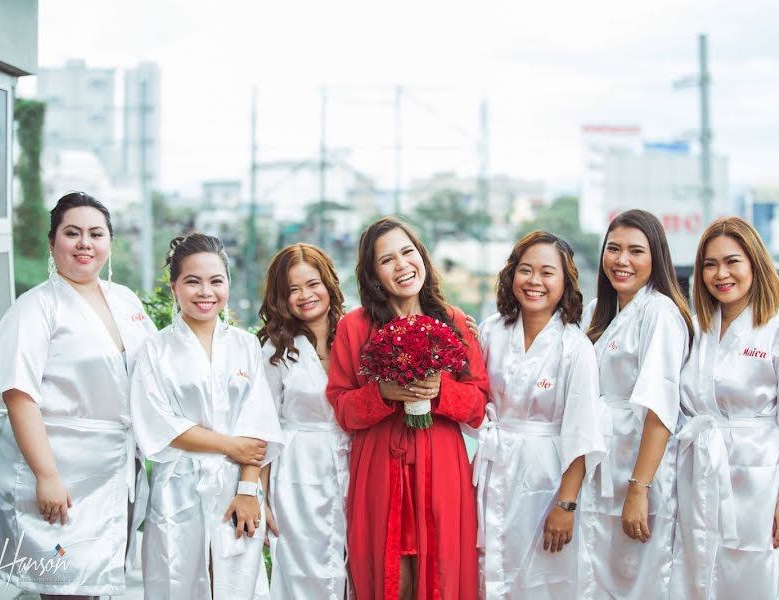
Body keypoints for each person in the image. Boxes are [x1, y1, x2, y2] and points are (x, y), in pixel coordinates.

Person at [0, 192, 156, 599]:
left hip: (118, 471)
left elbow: (157, 376)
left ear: (109, 243)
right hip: (61, 471)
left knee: (96, 584)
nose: (85, 243)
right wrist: (47, 476)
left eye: (96, 233)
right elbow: (18, 396)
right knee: (65, 587)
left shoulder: (126, 301)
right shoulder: (35, 309)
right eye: (72, 233)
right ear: (52, 243)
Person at [672, 217, 779, 599]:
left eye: (732, 261)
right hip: (697, 474)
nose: (721, 273)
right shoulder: (695, 329)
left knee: (756, 570)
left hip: (759, 482)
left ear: (754, 264)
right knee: (696, 567)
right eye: (710, 264)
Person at [326, 217, 489, 600]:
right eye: (386, 260)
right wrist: (382, 393)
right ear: (372, 274)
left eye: (407, 252)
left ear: (422, 257)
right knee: (387, 574)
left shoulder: (456, 322)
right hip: (381, 465)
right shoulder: (355, 327)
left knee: (443, 571)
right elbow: (342, 407)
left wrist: (439, 392)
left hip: (442, 465)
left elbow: (479, 403)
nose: (401, 266)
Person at [130, 233, 282, 600]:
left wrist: (249, 489)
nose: (205, 292)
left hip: (236, 486)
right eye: (192, 281)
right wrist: (231, 445)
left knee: (234, 584)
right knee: (178, 581)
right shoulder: (156, 349)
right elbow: (159, 424)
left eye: (216, 281)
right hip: (177, 487)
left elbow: (258, 423)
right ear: (174, 287)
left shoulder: (246, 345)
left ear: (228, 283)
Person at [474, 231, 605, 599]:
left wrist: (566, 504)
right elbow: (472, 399)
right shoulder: (491, 331)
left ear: (565, 283)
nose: (534, 281)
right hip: (494, 468)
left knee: (543, 578)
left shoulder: (575, 347)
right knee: (491, 571)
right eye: (525, 270)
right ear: (511, 275)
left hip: (546, 483)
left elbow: (582, 433)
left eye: (547, 273)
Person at [578, 209, 693, 599]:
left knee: (636, 580)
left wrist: (639, 489)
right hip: (598, 467)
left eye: (635, 251)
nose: (621, 260)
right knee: (597, 578)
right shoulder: (597, 311)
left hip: (637, 472)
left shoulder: (660, 312)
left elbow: (661, 408)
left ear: (656, 257)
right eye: (613, 249)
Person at [256, 243, 350, 599]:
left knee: (353, 571)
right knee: (301, 573)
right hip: (297, 473)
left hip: (354, 464)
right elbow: (263, 426)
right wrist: (260, 496)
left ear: (328, 283)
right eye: (292, 289)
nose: (305, 295)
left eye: (312, 284)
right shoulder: (275, 350)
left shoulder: (357, 335)